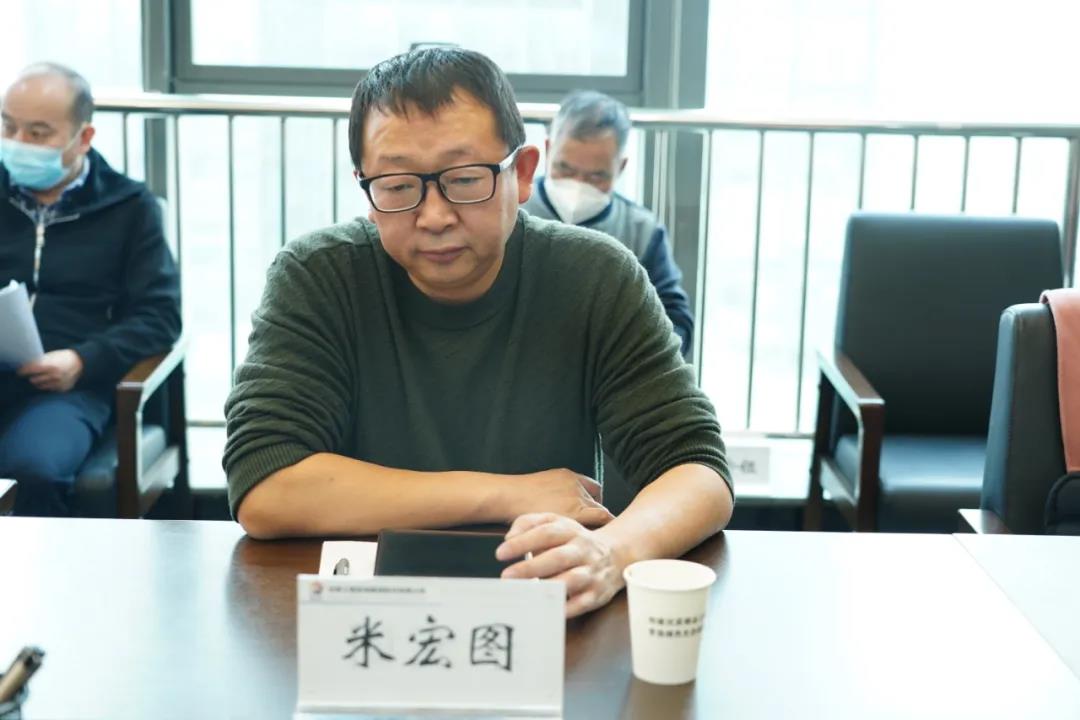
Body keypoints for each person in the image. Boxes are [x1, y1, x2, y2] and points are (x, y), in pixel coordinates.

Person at [223, 48, 732, 618]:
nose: (435, 216)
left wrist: (611, 554)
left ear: (523, 173)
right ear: (366, 189)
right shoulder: (319, 275)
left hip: (540, 604)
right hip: (360, 616)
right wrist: (507, 492)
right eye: (398, 186)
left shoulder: (595, 276)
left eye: (465, 179)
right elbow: (265, 483)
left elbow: (698, 471)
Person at [0, 63, 182, 516]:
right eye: (7, 126)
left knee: (33, 469)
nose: (17, 142)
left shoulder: (129, 207)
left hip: (68, 388)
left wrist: (83, 360)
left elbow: (160, 317)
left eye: (38, 132)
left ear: (83, 138)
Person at [523, 90, 694, 356]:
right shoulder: (512, 210)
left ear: (620, 167)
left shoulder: (641, 232)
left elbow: (676, 322)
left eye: (596, 177)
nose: (578, 185)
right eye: (565, 169)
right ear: (547, 150)